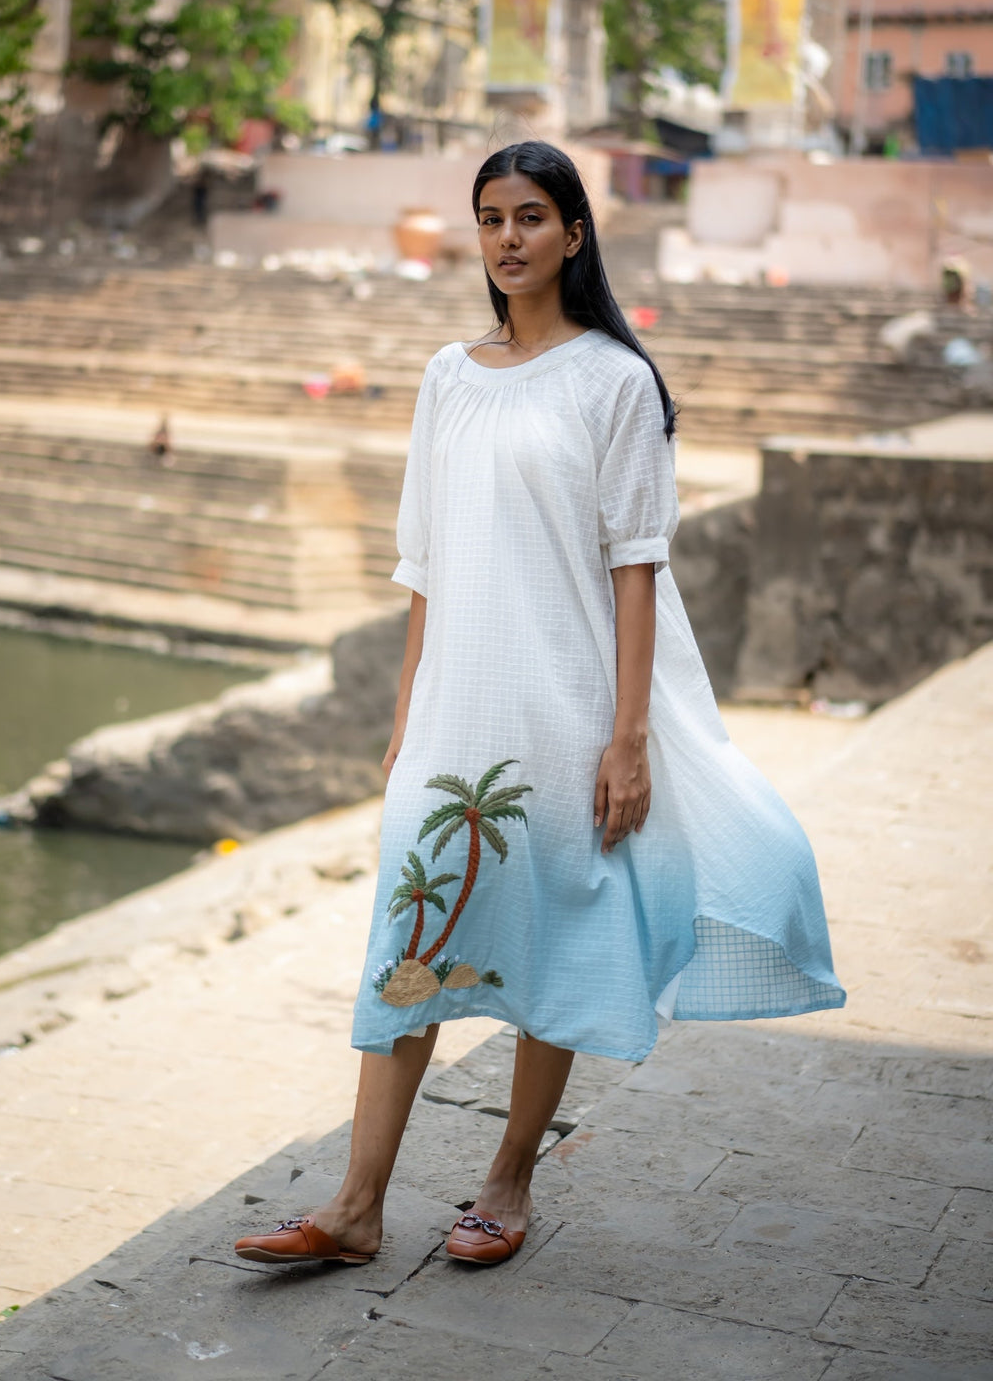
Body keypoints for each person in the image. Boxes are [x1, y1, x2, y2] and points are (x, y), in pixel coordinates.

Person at [234, 141, 844, 1271]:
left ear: (574, 232)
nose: (507, 238)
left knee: (553, 938)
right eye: (488, 218)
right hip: (458, 713)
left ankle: (507, 1179)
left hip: (565, 711)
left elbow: (635, 567)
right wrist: (408, 716)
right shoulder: (445, 375)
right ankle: (358, 1207)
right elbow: (423, 565)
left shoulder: (616, 382)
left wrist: (625, 738)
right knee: (412, 934)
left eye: (529, 216)